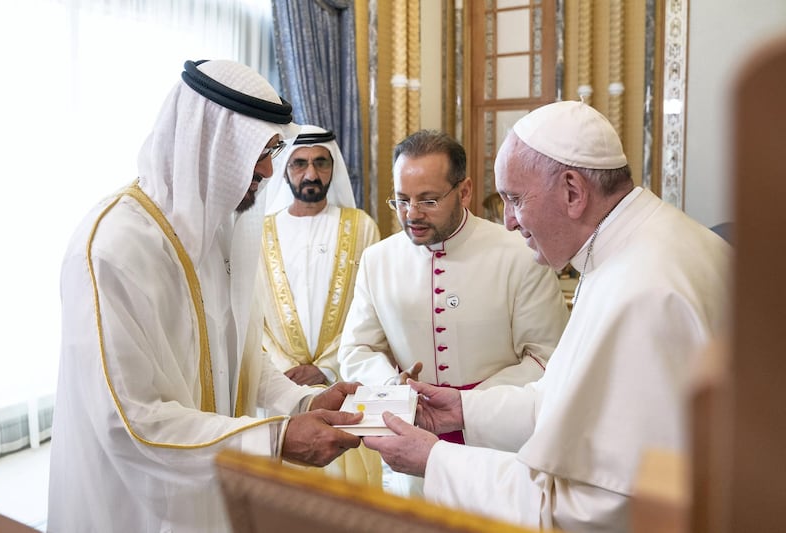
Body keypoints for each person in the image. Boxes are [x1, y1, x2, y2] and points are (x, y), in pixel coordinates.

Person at [363, 101, 731, 532]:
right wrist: (465, 410)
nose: (510, 223)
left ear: (573, 192)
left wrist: (436, 460)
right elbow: (562, 401)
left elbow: (592, 510)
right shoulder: (636, 245)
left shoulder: (640, 291)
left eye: (515, 199)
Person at [47, 60, 365, 533]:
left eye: (274, 149)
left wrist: (301, 403)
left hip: (211, 481)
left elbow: (240, 356)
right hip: (134, 502)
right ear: (209, 145)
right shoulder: (114, 246)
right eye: (258, 149)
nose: (266, 169)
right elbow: (129, 423)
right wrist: (275, 439)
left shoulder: (218, 230)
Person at [338, 129, 570, 496]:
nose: (411, 214)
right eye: (401, 200)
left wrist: (467, 406)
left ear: (464, 191)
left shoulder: (521, 255)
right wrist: (392, 389)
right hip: (411, 453)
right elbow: (355, 350)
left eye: (428, 200)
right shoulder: (377, 260)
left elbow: (548, 357)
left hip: (498, 451)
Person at [258, 124, 382, 485]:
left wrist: (325, 368)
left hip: (341, 385)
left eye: (320, 163)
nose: (310, 173)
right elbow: (253, 316)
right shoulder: (259, 232)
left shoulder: (362, 228)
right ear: (284, 170)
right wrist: (281, 370)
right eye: (299, 163)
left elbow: (369, 313)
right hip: (276, 389)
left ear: (334, 168)